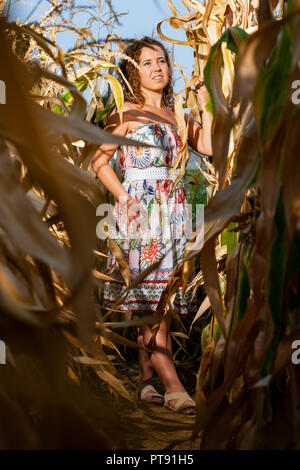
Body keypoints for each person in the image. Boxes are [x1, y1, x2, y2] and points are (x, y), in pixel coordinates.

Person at [92, 37, 213, 415]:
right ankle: (175, 385)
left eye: (161, 61)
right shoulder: (125, 113)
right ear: (133, 71)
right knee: (152, 301)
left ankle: (147, 380)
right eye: (147, 63)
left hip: (175, 211)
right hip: (141, 212)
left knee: (164, 297)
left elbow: (208, 146)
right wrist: (125, 200)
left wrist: (206, 102)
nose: (157, 68)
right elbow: (98, 162)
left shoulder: (179, 114)